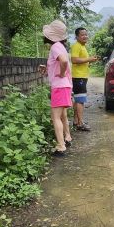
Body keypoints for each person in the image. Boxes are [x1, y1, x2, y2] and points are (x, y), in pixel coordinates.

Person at [38, 20, 73, 156]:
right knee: (62, 115)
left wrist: (62, 73)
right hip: (64, 86)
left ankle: (61, 146)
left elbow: (63, 61)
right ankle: (67, 137)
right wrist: (47, 68)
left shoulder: (55, 47)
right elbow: (59, 64)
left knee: (55, 117)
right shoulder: (61, 46)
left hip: (59, 86)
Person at [70, 27, 99, 131]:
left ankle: (76, 121)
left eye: (86, 34)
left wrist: (90, 61)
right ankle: (80, 123)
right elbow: (74, 60)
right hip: (78, 77)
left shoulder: (82, 46)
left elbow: (81, 60)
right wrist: (89, 59)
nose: (85, 36)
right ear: (77, 36)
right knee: (80, 101)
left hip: (81, 77)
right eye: (82, 35)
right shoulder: (76, 46)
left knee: (77, 99)